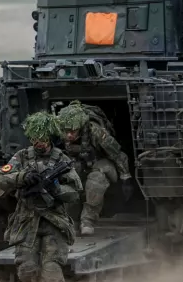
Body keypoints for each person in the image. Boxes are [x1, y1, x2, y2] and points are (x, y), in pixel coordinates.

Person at [0, 111, 82, 282]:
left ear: (48, 137)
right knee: (27, 270)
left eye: (41, 138)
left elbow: (75, 192)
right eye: (34, 139)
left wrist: (57, 190)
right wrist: (23, 177)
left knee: (51, 272)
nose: (37, 143)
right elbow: (0, 181)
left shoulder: (61, 161)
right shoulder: (22, 157)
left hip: (54, 221)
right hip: (26, 220)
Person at [54, 101, 133, 235]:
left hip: (103, 164)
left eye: (73, 131)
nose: (69, 135)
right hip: (77, 165)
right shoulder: (58, 133)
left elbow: (119, 156)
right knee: (67, 180)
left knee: (95, 180)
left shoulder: (96, 132)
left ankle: (88, 220)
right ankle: (72, 220)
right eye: (66, 132)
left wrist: (126, 179)